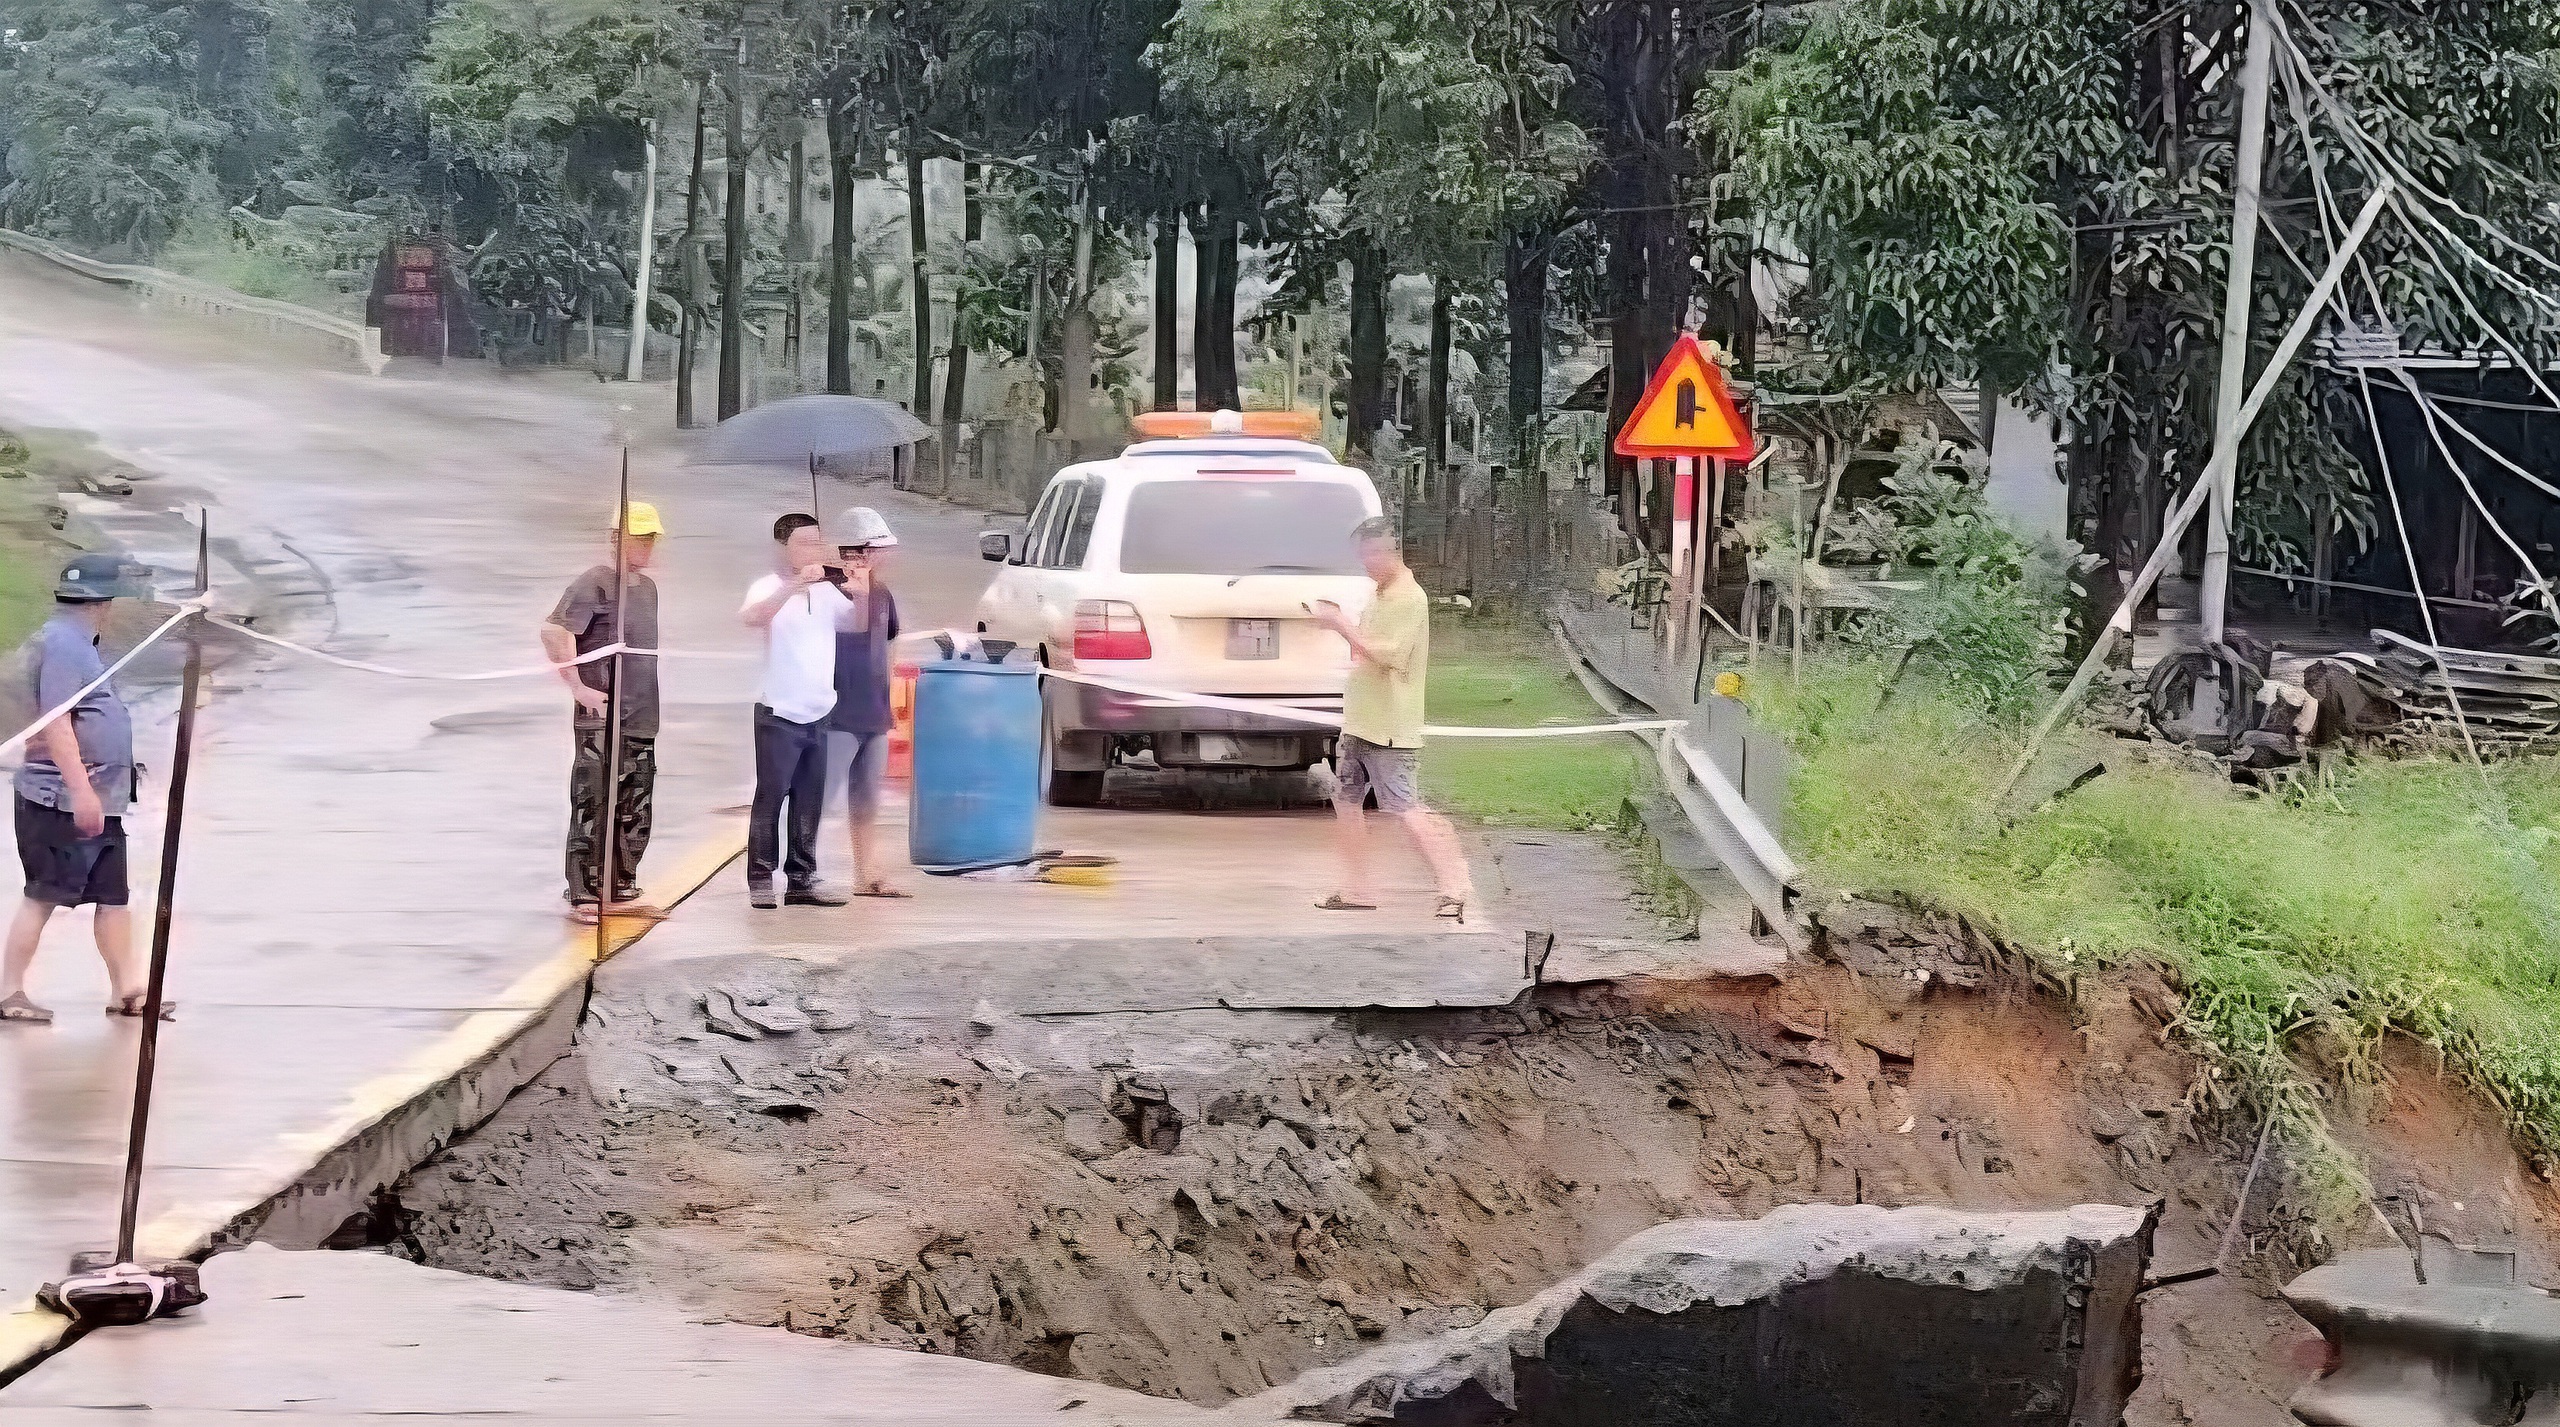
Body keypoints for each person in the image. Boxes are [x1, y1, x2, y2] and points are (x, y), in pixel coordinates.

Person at [3, 557, 149, 1024]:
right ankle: (9, 992)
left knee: (112, 896)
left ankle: (128, 990)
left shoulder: (78, 642)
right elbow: (56, 721)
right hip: (58, 800)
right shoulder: (65, 645)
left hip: (95, 798)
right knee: (43, 894)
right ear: (104, 603)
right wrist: (81, 791)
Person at [1310, 516, 1474, 922]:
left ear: (1391, 552)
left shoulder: (1408, 599)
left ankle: (1454, 887)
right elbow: (1366, 652)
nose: (1365, 563)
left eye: (1370, 555)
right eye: (1361, 555)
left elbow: (1390, 656)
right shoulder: (1379, 596)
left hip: (1389, 729)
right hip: (1361, 723)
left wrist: (1341, 625)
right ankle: (1358, 889)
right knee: (1345, 801)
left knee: (1406, 808)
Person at [542, 501, 664, 924]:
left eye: (650, 538)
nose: (646, 546)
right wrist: (579, 687)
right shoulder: (593, 584)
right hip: (602, 717)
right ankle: (583, 892)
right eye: (638, 536)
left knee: (635, 802)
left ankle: (619, 886)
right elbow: (556, 630)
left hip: (642, 714)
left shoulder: (646, 588)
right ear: (616, 538)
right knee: (594, 800)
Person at [741, 513, 852, 909]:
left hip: (819, 709)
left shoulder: (827, 592)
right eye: (805, 542)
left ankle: (802, 877)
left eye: (818, 542)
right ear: (783, 546)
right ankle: (760, 877)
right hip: (779, 711)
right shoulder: (768, 587)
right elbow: (752, 617)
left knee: (810, 798)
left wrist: (857, 578)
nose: (814, 550)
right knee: (771, 796)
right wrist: (793, 585)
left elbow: (860, 621)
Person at [830, 507, 908, 899]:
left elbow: (889, 645)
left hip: (873, 710)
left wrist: (889, 696)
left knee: (866, 797)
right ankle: (797, 872)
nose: (885, 558)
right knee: (813, 796)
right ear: (857, 553)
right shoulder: (829, 593)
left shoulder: (882, 595)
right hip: (835, 711)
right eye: (878, 550)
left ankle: (865, 872)